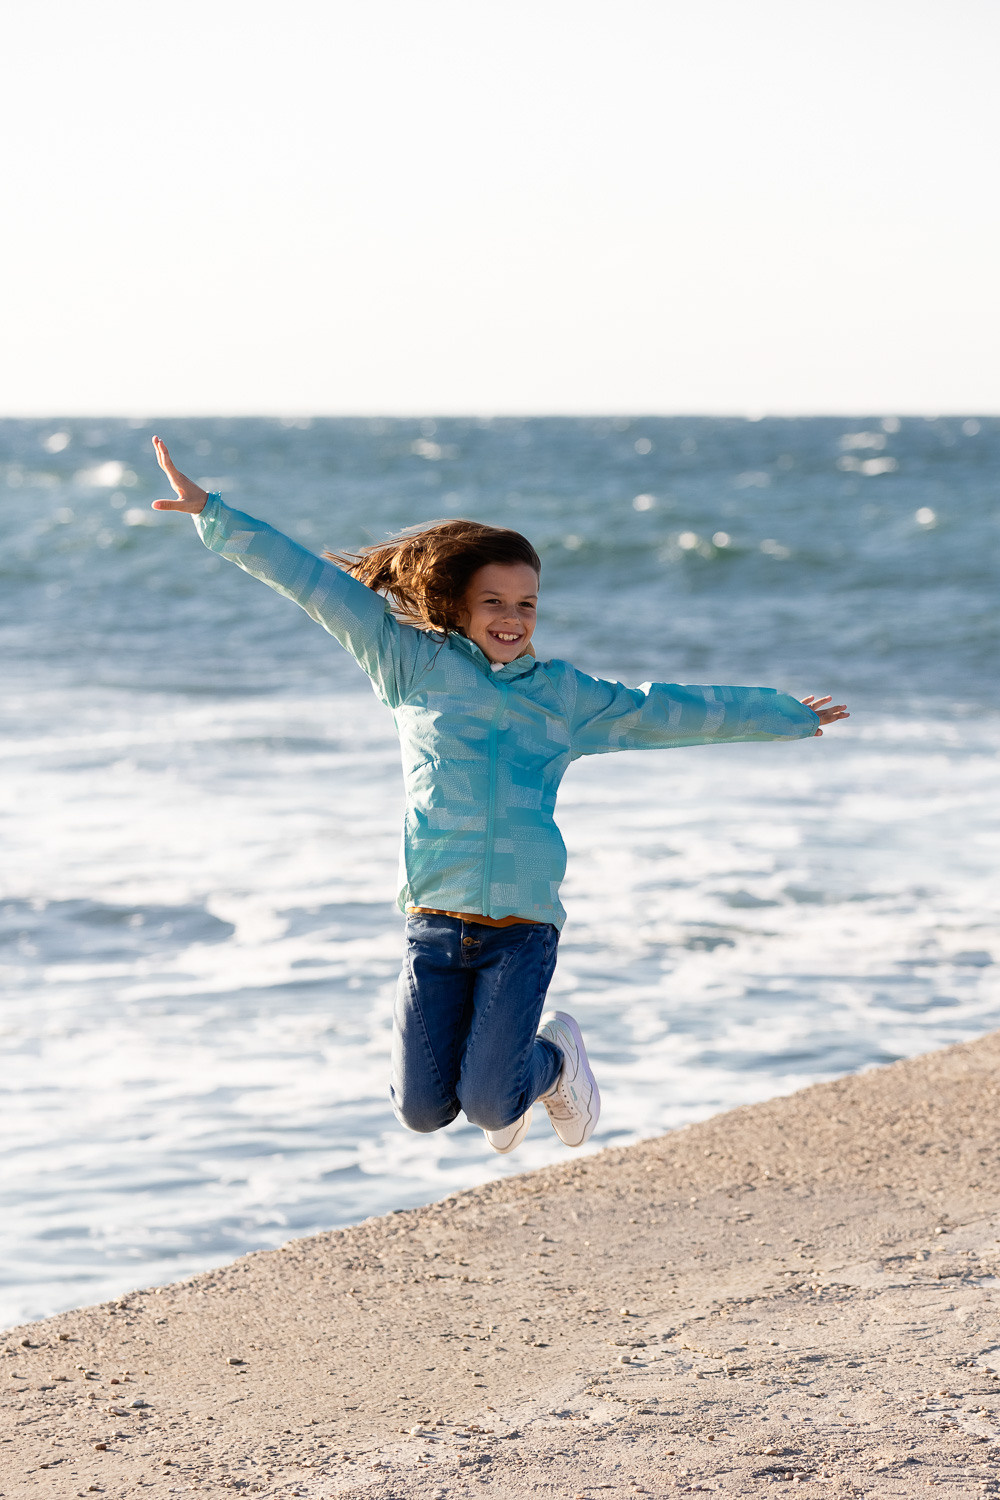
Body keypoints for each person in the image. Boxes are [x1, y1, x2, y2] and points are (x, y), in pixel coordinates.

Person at [151, 436, 849, 1156]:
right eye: (493, 602)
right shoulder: (409, 665)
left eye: (526, 603)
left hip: (521, 927)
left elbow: (665, 711)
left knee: (491, 1105)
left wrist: (785, 716)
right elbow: (315, 586)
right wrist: (213, 514)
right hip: (435, 922)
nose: (512, 617)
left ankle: (555, 1063)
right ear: (457, 603)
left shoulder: (563, 698)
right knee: (423, 1111)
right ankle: (520, 1076)